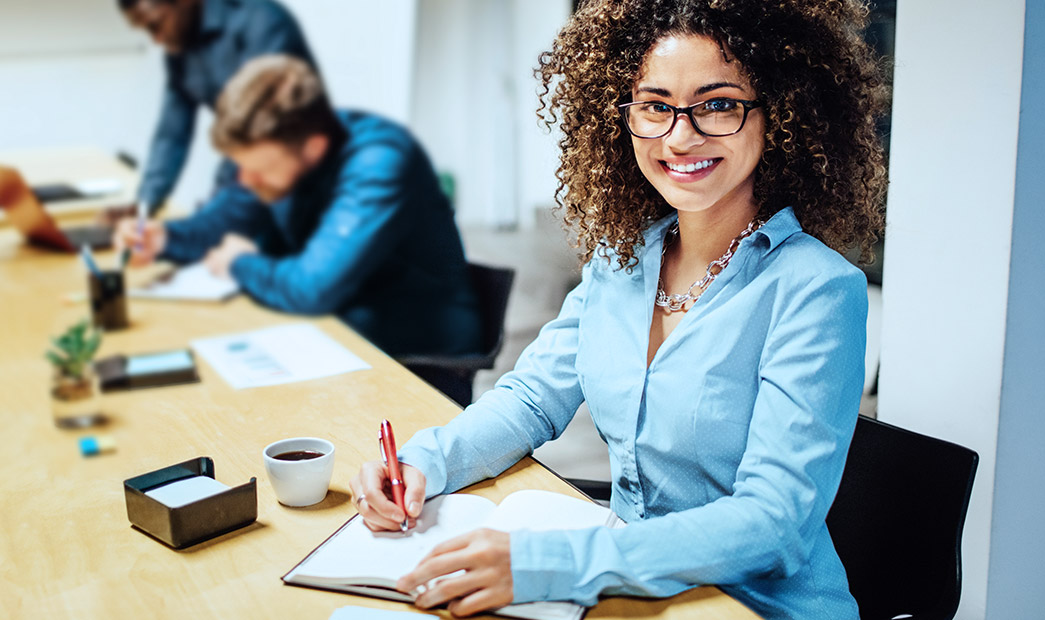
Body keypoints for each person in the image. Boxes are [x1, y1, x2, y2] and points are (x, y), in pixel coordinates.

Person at [349, 0, 888, 618]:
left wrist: (556, 563)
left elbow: (774, 521)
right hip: (626, 588)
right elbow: (532, 398)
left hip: (750, 605)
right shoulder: (623, 258)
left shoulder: (818, 290)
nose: (680, 136)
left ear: (780, 115)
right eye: (656, 106)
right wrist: (423, 462)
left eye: (718, 104)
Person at [114, 55, 481, 358]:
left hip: (416, 352)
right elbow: (226, 221)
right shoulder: (270, 159)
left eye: (259, 170)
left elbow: (313, 288)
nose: (246, 181)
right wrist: (164, 238)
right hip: (331, 328)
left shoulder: (379, 161)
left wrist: (239, 263)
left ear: (314, 148)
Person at [118, 0, 316, 214]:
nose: (156, 40)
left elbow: (257, 126)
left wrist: (217, 203)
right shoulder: (178, 50)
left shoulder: (259, 21)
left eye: (154, 26)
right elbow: (172, 134)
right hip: (249, 180)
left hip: (298, 180)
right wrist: (144, 207)